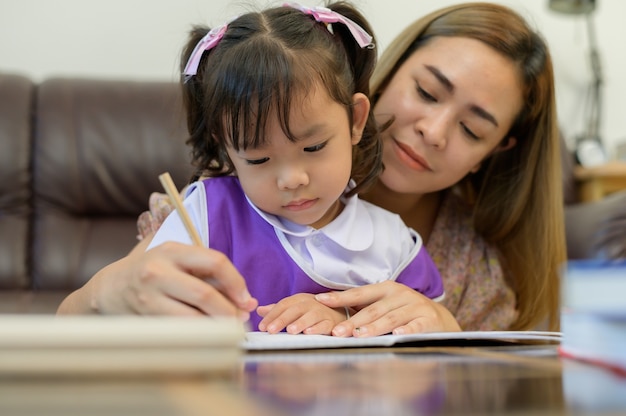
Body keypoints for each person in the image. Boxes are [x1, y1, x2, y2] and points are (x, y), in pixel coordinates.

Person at [58, 2, 566, 336]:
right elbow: (77, 329)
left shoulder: (459, 269)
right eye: (427, 92)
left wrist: (443, 326)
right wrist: (109, 293)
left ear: (498, 150)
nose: (433, 130)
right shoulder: (214, 210)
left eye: (474, 130)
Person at [144, 2, 443, 333]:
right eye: (258, 159)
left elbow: (434, 338)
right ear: (227, 147)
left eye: (313, 147)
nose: (292, 179)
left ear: (355, 120)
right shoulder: (206, 215)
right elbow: (144, 310)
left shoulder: (393, 245)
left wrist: (345, 322)